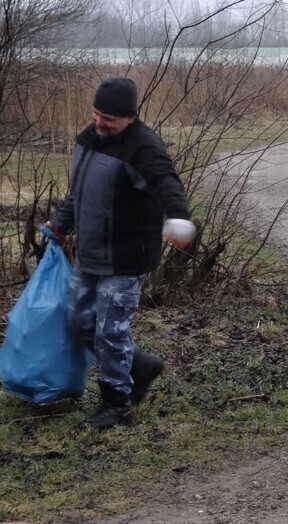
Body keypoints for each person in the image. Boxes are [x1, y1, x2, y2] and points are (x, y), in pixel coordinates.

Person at [47, 77, 196, 429]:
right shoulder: (88, 138)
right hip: (91, 252)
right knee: (78, 321)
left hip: (126, 258)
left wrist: (178, 216)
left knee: (109, 332)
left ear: (130, 117)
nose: (100, 122)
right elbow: (79, 191)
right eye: (97, 113)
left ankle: (117, 403)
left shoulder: (143, 147)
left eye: (109, 118)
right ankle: (139, 367)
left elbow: (167, 181)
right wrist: (60, 224)